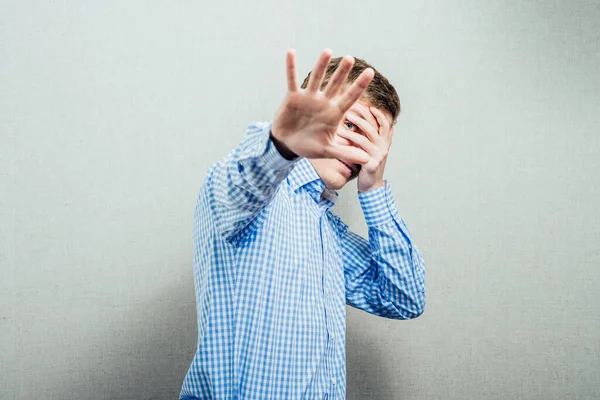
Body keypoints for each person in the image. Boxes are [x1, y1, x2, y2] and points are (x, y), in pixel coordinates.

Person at [180, 49, 426, 400]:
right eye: (352, 126)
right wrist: (283, 143)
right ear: (311, 112)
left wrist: (374, 188)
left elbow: (404, 297)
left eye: (374, 143)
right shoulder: (243, 192)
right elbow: (249, 177)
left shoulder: (328, 231)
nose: (361, 152)